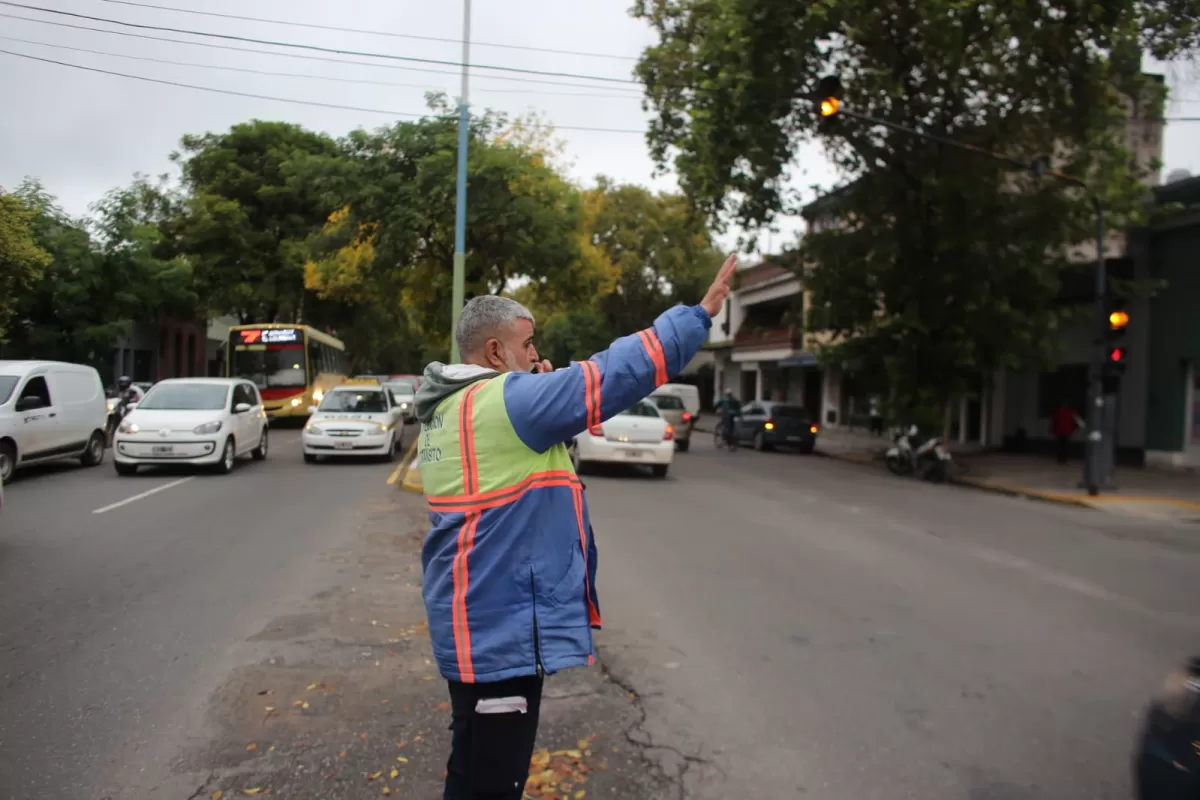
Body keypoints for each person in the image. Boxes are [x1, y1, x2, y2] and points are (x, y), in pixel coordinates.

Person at [415, 254, 737, 800]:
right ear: (495, 352)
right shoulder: (505, 401)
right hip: (502, 635)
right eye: (527, 344)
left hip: (472, 624)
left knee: (472, 769)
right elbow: (610, 375)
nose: (537, 355)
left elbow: (517, 475)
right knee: (493, 783)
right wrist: (697, 316)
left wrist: (536, 399)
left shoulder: (449, 408)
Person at [1050, 400, 1081, 464]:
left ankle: (1060, 458)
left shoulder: (1058, 411)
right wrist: (1075, 428)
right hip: (1068, 431)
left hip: (1059, 431)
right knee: (1066, 445)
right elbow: (1077, 420)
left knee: (1060, 445)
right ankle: (1064, 458)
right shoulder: (1071, 411)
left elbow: (1054, 421)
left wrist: (1052, 430)